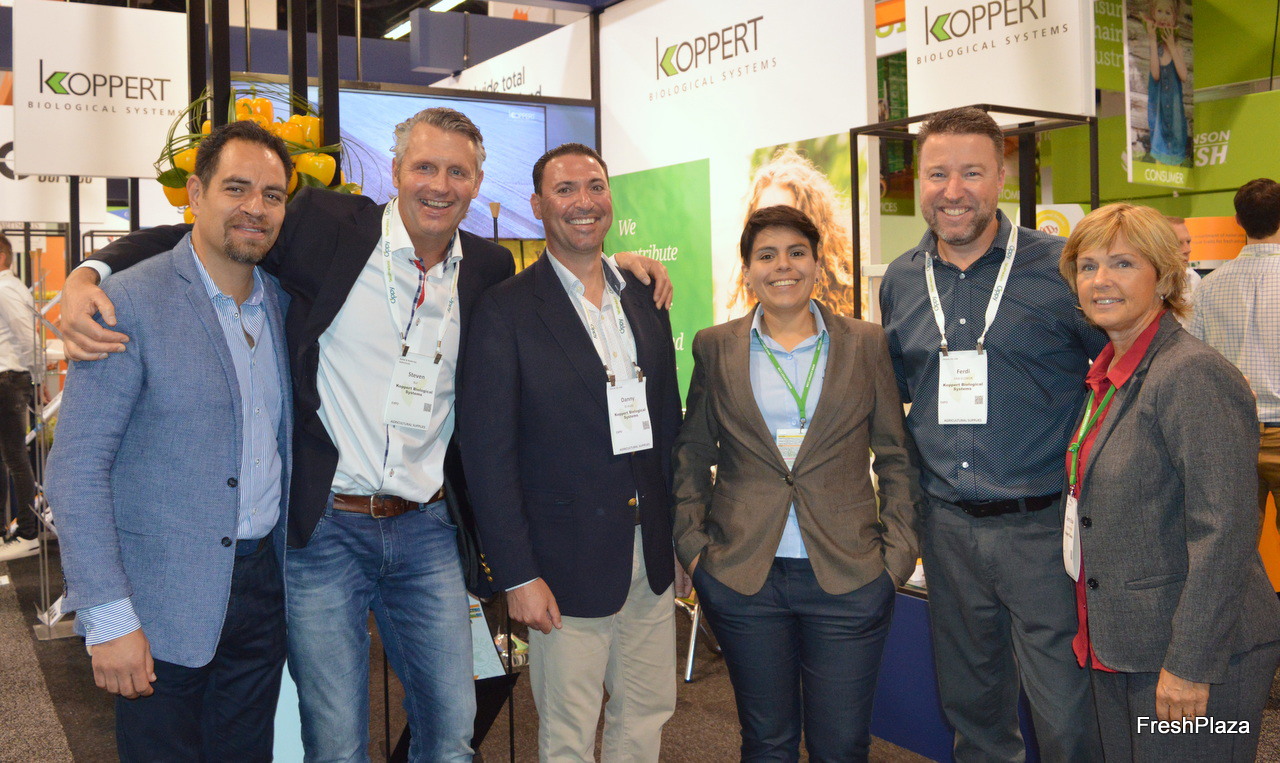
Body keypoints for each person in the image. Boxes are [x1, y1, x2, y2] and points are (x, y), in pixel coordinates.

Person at [59, 110, 671, 761]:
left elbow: (557, 287)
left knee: (452, 726)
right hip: (327, 531)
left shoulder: (488, 268)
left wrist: (612, 266)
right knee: (337, 738)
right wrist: (89, 272)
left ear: (477, 183)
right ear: (396, 170)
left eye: (457, 172)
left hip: (427, 528)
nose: (440, 185)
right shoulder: (327, 227)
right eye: (425, 167)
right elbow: (219, 230)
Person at [45, 121, 293, 759]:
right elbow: (76, 469)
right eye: (236, 188)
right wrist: (108, 614)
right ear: (196, 193)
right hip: (159, 604)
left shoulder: (283, 304)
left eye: (272, 195)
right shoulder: (125, 302)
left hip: (262, 596)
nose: (255, 207)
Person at [878, 106, 1105, 762]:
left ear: (1002, 176)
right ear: (918, 181)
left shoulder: (1062, 269)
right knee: (972, 712)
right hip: (947, 531)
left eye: (972, 172)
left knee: (1067, 717)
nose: (953, 191)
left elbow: (1116, 379)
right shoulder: (901, 279)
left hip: (1045, 530)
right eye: (937, 174)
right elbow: (900, 395)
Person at [458, 143, 683, 762]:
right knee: (568, 732)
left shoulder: (644, 296)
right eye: (565, 190)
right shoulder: (505, 310)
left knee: (646, 714)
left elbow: (667, 427)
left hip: (650, 553)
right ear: (537, 205)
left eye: (595, 186)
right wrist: (518, 574)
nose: (583, 202)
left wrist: (677, 535)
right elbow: (488, 456)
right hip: (562, 564)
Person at [673, 204, 919, 760]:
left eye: (796, 252)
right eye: (766, 255)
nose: (782, 265)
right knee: (767, 741)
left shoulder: (865, 343)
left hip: (849, 575)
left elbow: (895, 456)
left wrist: (896, 558)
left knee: (842, 744)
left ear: (816, 262)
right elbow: (691, 453)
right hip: (742, 576)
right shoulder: (716, 346)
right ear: (748, 270)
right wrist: (694, 549)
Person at [1058, 202, 1280, 760]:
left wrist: (1189, 665)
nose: (1101, 280)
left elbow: (1225, 532)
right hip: (1123, 643)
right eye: (1087, 266)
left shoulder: (1192, 374)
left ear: (1164, 277)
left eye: (1123, 263)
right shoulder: (1109, 374)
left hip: (1191, 658)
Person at [1191, 178, 1280, 531]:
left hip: (1232, 435)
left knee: (1235, 549)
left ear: (1238, 221)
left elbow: (1193, 363)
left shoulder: (1207, 286)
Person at [727, 148, 858, 316]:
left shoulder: (851, 319)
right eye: (763, 217)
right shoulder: (740, 322)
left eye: (786, 217)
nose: (782, 264)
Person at [0, 234, 42, 562]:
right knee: (11, 458)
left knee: (15, 458)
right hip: (9, 380)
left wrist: (37, 378)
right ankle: (13, 532)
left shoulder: (5, 288)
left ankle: (28, 533)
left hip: (8, 380)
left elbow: (28, 336)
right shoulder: (10, 287)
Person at [1145, 0, 1190, 166]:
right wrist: (1152, 40)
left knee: (1177, 135)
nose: (1163, 17)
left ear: (1174, 16)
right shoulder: (1155, 47)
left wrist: (1171, 45)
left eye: (1168, 13)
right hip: (1158, 106)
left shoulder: (1177, 47)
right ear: (1153, 13)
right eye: (1159, 11)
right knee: (1158, 138)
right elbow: (1155, 75)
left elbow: (1184, 75)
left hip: (1174, 105)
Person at [1165, 215, 1200, 328]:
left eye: (1188, 242)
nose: (1187, 250)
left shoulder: (1192, 278)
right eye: (1178, 243)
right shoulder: (1144, 282)